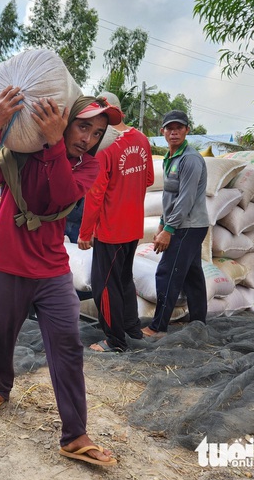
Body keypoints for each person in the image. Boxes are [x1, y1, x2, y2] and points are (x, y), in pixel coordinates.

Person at [0, 86, 119, 467]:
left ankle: (74, 435)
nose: (88, 139)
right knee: (0, 335)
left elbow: (61, 197)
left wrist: (57, 146)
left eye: (97, 133)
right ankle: (0, 387)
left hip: (53, 269)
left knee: (68, 344)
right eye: (83, 128)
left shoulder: (89, 165)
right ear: (66, 122)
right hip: (7, 263)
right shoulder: (24, 151)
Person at [77, 94, 154, 352]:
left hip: (111, 229)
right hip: (133, 227)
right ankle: (132, 329)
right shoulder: (141, 139)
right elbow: (149, 179)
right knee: (124, 279)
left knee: (104, 286)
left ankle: (114, 340)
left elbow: (95, 194)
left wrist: (86, 232)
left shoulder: (105, 146)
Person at [142, 110, 209, 339]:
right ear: (162, 132)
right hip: (181, 223)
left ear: (187, 130)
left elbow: (186, 199)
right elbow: (170, 196)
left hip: (188, 226)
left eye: (179, 128)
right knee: (192, 274)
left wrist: (169, 229)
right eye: (169, 128)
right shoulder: (172, 157)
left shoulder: (190, 159)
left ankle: (158, 327)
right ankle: (199, 321)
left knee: (167, 272)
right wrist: (162, 222)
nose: (174, 132)